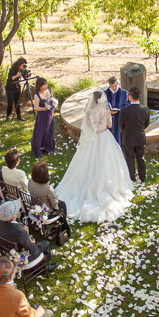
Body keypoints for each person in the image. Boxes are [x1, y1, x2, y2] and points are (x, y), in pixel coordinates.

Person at [55, 90, 134, 223]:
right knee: (108, 161)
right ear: (102, 100)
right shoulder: (105, 111)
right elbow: (109, 125)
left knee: (86, 161)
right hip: (104, 137)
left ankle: (86, 181)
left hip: (92, 140)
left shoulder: (89, 112)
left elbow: (87, 126)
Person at [0, 201, 56, 271]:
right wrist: (32, 243)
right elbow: (31, 248)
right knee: (45, 244)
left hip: (7, 250)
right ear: (15, 215)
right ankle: (44, 268)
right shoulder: (19, 232)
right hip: (20, 255)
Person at [29, 161, 72, 238]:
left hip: (34, 207)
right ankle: (64, 225)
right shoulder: (48, 188)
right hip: (47, 212)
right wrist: (56, 208)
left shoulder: (30, 181)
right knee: (62, 205)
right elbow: (55, 205)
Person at [118, 87, 150, 183]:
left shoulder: (124, 111)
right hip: (140, 137)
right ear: (139, 96)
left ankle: (132, 177)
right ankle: (142, 177)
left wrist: (125, 132)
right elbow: (146, 124)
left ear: (130, 97)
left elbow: (120, 125)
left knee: (129, 158)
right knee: (140, 157)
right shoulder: (145, 109)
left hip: (128, 138)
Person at [31, 77, 56, 158]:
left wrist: (53, 105)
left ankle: (48, 146)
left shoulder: (49, 91)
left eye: (46, 84)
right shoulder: (37, 95)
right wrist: (45, 108)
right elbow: (36, 108)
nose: (46, 86)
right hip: (42, 116)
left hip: (50, 114)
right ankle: (38, 148)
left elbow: (52, 100)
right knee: (40, 131)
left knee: (49, 130)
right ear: (40, 86)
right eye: (44, 84)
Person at [104, 76, 130, 143]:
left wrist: (119, 109)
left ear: (118, 83)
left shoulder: (124, 93)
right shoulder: (105, 93)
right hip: (109, 120)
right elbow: (102, 106)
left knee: (120, 138)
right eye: (112, 86)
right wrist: (108, 110)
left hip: (120, 119)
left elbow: (127, 104)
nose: (114, 88)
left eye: (116, 85)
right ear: (109, 85)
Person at [5, 57, 28, 122]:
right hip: (10, 87)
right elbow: (10, 78)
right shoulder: (13, 69)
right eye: (23, 65)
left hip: (17, 87)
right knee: (10, 102)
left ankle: (19, 115)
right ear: (19, 64)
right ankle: (8, 116)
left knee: (18, 102)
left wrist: (27, 75)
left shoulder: (22, 70)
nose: (23, 67)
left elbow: (24, 77)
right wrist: (17, 76)